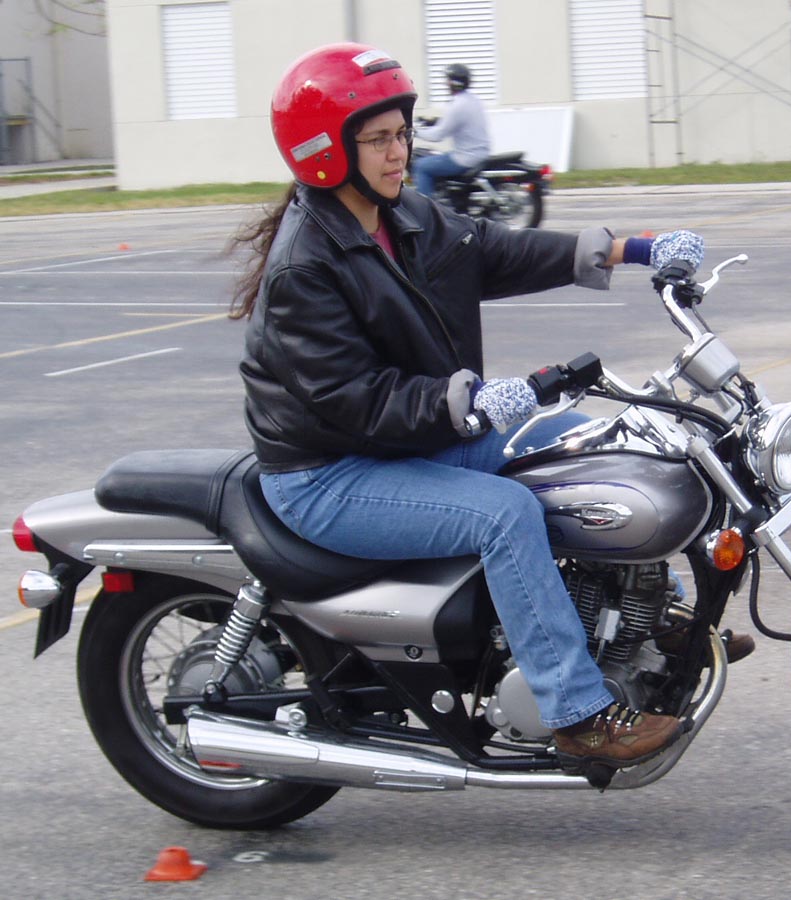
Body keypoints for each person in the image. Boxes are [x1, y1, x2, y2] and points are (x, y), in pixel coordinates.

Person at [227, 42, 716, 772]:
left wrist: (635, 249)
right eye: (379, 139)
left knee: (584, 444)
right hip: (328, 474)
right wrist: (471, 402)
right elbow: (352, 399)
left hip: (406, 441)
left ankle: (653, 617)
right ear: (326, 153)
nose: (400, 152)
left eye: (402, 132)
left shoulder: (401, 215)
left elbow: (497, 250)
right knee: (504, 513)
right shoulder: (306, 265)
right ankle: (578, 715)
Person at [410, 62, 490, 196]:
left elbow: (438, 135)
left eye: (447, 80)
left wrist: (414, 132)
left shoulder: (457, 105)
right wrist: (431, 121)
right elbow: (457, 123)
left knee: (421, 166)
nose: (445, 83)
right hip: (479, 153)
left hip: (465, 157)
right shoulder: (472, 100)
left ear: (453, 82)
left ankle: (425, 207)